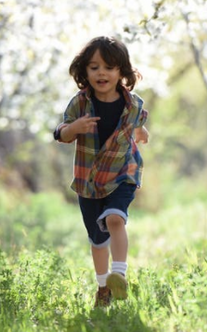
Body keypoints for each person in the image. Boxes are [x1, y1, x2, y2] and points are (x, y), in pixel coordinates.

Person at [53, 36, 149, 307]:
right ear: (84, 72)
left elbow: (137, 122)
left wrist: (141, 132)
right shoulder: (80, 104)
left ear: (121, 72)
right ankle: (103, 286)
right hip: (90, 180)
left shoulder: (133, 104)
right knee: (97, 238)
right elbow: (60, 131)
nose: (101, 73)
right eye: (94, 67)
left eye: (109, 67)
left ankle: (119, 275)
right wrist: (73, 129)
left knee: (115, 219)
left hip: (123, 172)